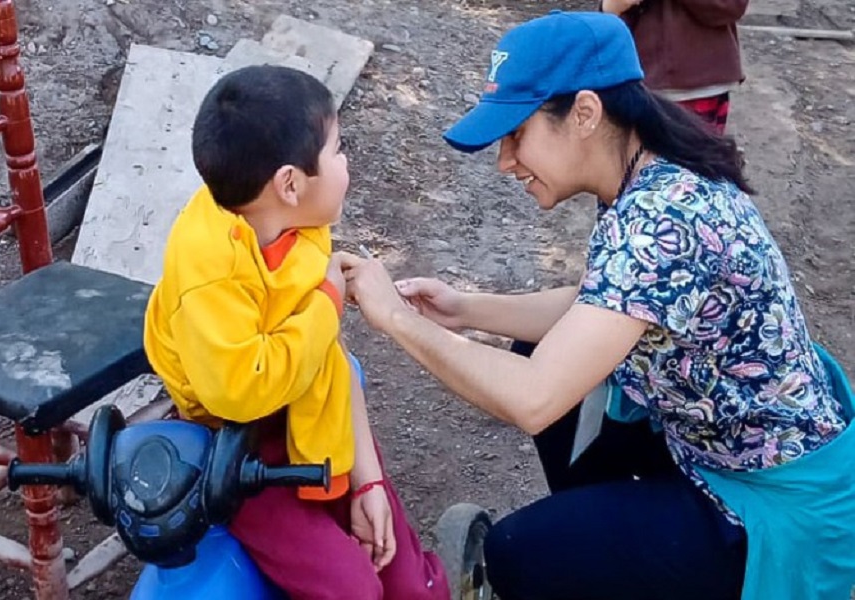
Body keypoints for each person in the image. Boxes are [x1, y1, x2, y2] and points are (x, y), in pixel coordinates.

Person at [338, 11, 855, 600]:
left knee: (518, 554)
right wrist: (462, 310)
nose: (505, 161)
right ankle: (610, 551)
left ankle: (612, 562)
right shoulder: (651, 174)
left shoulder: (666, 220)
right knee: (539, 349)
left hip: (769, 502)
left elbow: (534, 399)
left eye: (516, 135)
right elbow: (601, 304)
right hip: (723, 444)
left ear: (585, 113)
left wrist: (396, 320)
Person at [142, 65, 448, 600]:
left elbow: (332, 362)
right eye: (337, 150)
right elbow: (241, 393)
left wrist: (368, 481)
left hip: (314, 412)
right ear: (289, 183)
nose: (346, 162)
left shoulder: (294, 224)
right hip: (237, 452)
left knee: (406, 581)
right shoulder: (209, 268)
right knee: (353, 590)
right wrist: (326, 304)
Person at [601, 0, 748, 133]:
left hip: (701, 87)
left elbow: (732, 6)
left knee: (697, 157)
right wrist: (611, 7)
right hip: (637, 86)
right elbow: (611, 16)